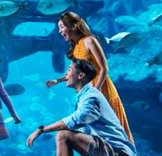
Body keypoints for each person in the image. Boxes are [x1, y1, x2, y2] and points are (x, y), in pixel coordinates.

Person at [27, 58, 138, 156]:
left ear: (81, 76)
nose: (66, 74)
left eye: (69, 70)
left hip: (118, 155)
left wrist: (41, 129)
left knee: (63, 135)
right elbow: (89, 135)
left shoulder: (91, 97)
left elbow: (75, 120)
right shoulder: (84, 96)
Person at [45, 11, 135, 145]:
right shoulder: (75, 48)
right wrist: (57, 81)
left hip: (101, 87)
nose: (59, 31)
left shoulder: (90, 41)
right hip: (86, 91)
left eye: (62, 26)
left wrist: (96, 91)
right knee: (93, 126)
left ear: (74, 26)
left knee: (113, 123)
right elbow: (74, 72)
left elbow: (104, 68)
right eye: (59, 28)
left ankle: (125, 155)